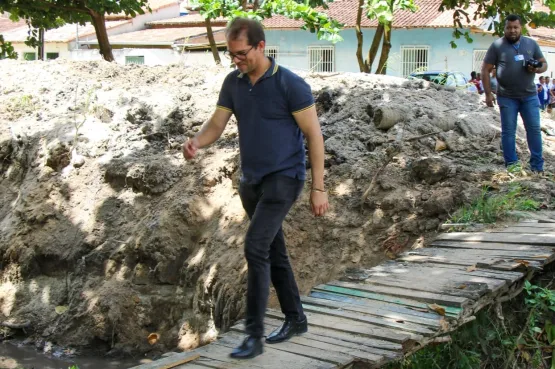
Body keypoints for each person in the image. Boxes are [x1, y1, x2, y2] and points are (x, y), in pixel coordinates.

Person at [182, 17, 329, 359]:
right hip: (252, 181)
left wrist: (318, 187)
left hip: (285, 178)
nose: (236, 60)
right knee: (273, 250)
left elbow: (314, 135)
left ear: (261, 46)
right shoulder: (233, 83)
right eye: (231, 54)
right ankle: (296, 319)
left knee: (256, 247)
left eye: (241, 53)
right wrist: (196, 143)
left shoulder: (290, 85)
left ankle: (253, 336)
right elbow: (217, 124)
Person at [482, 14, 548, 174]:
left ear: (521, 28)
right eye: (509, 27)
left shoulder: (531, 44)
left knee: (533, 130)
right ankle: (512, 165)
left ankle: (537, 167)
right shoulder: (497, 46)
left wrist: (537, 68)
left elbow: (544, 64)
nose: (512, 30)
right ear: (504, 28)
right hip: (506, 97)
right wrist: (488, 94)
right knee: (508, 131)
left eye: (515, 27)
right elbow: (485, 69)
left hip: (530, 96)